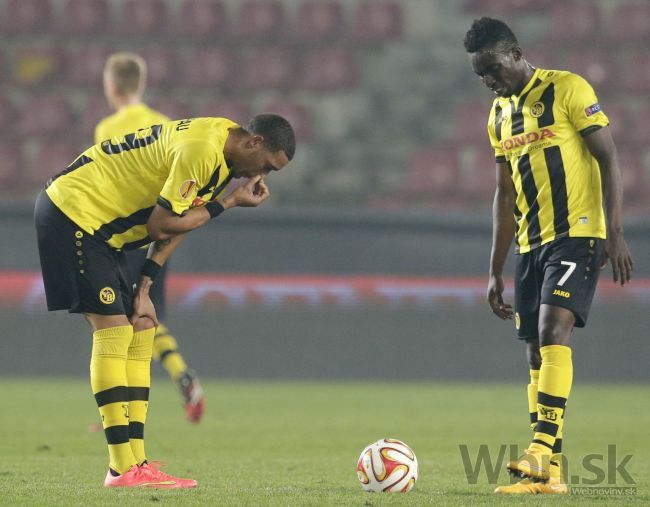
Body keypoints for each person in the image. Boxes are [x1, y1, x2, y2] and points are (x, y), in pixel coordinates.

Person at [34, 114, 295, 488]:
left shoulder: (223, 152)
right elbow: (162, 224)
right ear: (254, 142)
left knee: (142, 325)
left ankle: (135, 463)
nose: (265, 175)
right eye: (268, 166)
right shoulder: (202, 151)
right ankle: (122, 468)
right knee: (113, 331)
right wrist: (229, 203)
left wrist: (145, 287)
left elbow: (184, 218)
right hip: (73, 213)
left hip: (104, 232)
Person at [463, 18, 634, 495]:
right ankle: (550, 475)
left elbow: (609, 157)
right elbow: (503, 194)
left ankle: (538, 450)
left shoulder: (567, 89)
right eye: (480, 76)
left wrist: (614, 231)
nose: (489, 81)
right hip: (530, 243)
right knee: (535, 352)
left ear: (515, 53)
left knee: (552, 330)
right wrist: (495, 269)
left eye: (493, 69)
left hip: (578, 232)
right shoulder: (498, 116)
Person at [97, 52, 204, 424]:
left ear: (111, 86)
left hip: (124, 238)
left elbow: (108, 187)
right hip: (160, 234)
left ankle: (119, 411)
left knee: (117, 326)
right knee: (147, 317)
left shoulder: (107, 128)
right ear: (141, 84)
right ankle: (180, 374)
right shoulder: (165, 124)